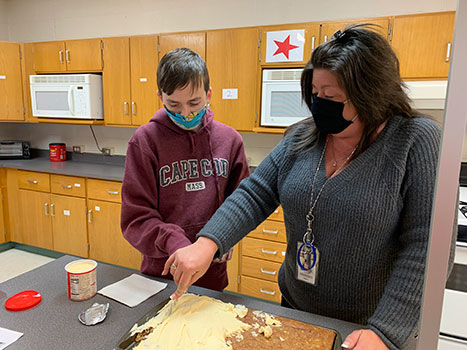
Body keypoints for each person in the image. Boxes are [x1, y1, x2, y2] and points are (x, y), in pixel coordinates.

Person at [162, 26, 456, 350]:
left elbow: (428, 247)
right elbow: (255, 192)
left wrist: (385, 331)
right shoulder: (302, 137)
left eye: (331, 97)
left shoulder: (416, 141)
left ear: (372, 95)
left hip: (368, 329)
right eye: (315, 93)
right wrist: (207, 243)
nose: (319, 105)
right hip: (297, 310)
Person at [120, 48, 250, 292]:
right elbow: (136, 219)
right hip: (161, 273)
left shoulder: (230, 140)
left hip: (212, 272)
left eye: (194, 103)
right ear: (160, 97)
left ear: (208, 94)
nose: (186, 114)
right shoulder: (145, 141)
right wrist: (175, 243)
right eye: (174, 105)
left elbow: (242, 205)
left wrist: (225, 236)